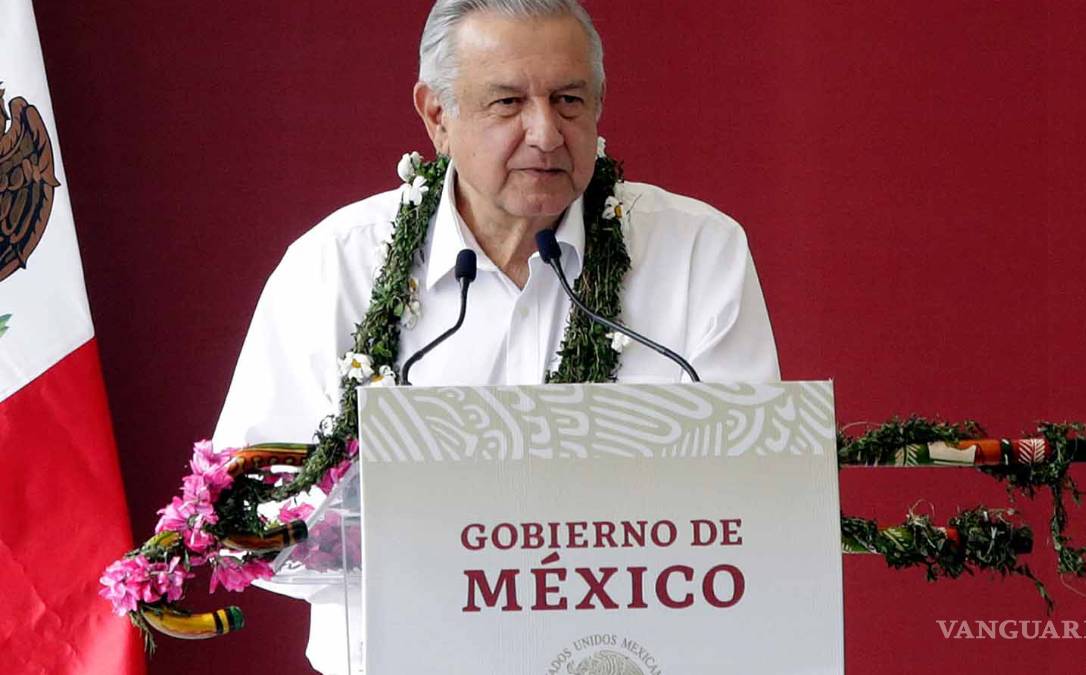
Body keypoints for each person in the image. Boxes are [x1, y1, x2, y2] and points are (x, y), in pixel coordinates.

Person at [212, 1, 779, 672]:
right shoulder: (336, 266)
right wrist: (430, 537)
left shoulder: (697, 255)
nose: (546, 132)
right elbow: (245, 514)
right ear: (437, 115)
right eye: (508, 102)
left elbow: (758, 495)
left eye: (569, 100)